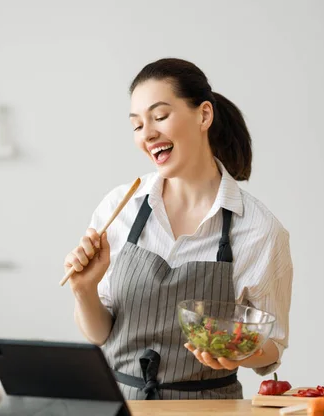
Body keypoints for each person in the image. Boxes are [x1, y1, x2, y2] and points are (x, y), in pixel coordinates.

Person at [64, 57, 293, 401]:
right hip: (121, 404)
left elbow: (272, 346)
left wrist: (240, 352)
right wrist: (84, 290)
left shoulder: (259, 229)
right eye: (137, 125)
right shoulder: (119, 208)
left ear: (203, 115)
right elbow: (101, 334)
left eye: (159, 117)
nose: (148, 133)